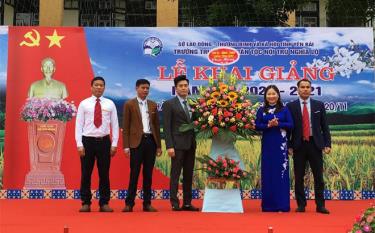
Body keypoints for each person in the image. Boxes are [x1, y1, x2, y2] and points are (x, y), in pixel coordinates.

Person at [287, 79, 331, 214]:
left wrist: (327, 144)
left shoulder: (319, 105)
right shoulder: (291, 106)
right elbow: (288, 129)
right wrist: (289, 145)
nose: (305, 89)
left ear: (311, 89)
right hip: (298, 145)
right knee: (298, 176)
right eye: (302, 87)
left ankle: (320, 205)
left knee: (319, 177)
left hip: (315, 144)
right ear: (298, 89)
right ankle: (301, 205)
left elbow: (325, 127)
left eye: (307, 87)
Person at [75, 76, 119, 212]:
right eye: (96, 85)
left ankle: (104, 203)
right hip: (87, 141)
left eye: (101, 85)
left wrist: (115, 143)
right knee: (86, 173)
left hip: (104, 142)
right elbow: (78, 125)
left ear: (104, 88)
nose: (99, 87)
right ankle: (86, 202)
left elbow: (115, 125)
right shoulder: (84, 104)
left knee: (104, 174)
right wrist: (79, 144)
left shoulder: (110, 104)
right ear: (91, 87)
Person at [122, 79, 162, 212]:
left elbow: (156, 126)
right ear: (136, 88)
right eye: (143, 88)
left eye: (147, 88)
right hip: (136, 144)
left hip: (150, 141)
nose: (145, 90)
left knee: (148, 174)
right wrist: (126, 146)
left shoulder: (152, 105)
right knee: (134, 173)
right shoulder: (129, 104)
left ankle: (147, 203)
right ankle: (129, 203)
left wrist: (159, 146)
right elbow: (126, 127)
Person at [162, 75, 199, 211]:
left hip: (190, 144)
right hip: (177, 145)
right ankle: (174, 203)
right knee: (175, 175)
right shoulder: (169, 104)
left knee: (188, 174)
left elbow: (195, 123)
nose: (184, 88)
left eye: (185, 85)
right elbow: (167, 127)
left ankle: (187, 203)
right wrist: (169, 146)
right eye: (181, 86)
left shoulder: (193, 104)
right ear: (176, 88)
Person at [255, 85, 294, 212]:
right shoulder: (261, 110)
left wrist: (279, 124)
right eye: (269, 94)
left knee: (281, 174)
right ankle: (268, 206)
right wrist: (268, 125)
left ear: (278, 95)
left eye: (274, 94)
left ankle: (282, 205)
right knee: (268, 173)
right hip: (268, 145)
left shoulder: (284, 109)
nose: (271, 96)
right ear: (265, 96)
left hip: (281, 146)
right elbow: (257, 126)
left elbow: (291, 124)